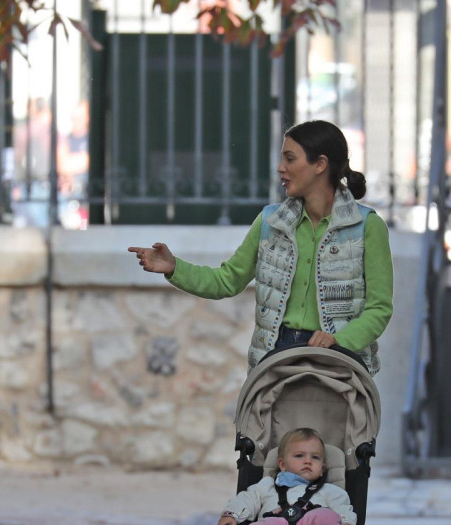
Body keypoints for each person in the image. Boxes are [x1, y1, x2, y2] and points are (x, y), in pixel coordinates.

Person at [128, 120, 393, 373]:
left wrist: (339, 341)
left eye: (290, 158)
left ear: (320, 164)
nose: (280, 168)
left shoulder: (367, 226)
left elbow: (379, 309)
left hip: (339, 360)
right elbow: (226, 281)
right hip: (275, 357)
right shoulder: (270, 221)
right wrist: (174, 267)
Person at [217, 428, 356, 525]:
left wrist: (347, 522)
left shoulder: (330, 491)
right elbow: (247, 499)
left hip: (311, 520)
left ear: (322, 470)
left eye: (315, 457)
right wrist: (232, 514)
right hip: (276, 520)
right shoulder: (267, 485)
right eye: (299, 455)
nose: (308, 461)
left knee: (326, 516)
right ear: (282, 464)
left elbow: (343, 509)